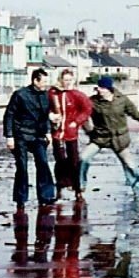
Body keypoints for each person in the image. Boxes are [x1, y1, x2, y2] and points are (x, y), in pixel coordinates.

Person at [79, 76, 139, 199]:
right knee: (83, 158)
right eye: (98, 87)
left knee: (130, 165)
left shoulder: (122, 100)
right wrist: (89, 131)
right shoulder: (92, 102)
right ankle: (81, 186)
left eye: (101, 87)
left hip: (119, 139)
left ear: (108, 89)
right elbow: (83, 116)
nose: (98, 90)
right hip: (100, 137)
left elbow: (133, 113)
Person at [3, 68, 55, 208]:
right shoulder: (20, 95)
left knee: (43, 163)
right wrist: (9, 136)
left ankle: (46, 196)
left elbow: (45, 117)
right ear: (35, 81)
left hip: (38, 135)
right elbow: (9, 115)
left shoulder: (45, 95)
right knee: (22, 167)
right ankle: (21, 199)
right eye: (43, 81)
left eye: (46, 81)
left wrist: (48, 132)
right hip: (21, 134)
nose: (46, 84)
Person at [48, 69, 93, 199]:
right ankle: (60, 186)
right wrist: (51, 115)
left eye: (69, 80)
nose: (67, 83)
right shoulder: (52, 93)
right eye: (65, 80)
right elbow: (45, 107)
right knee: (60, 160)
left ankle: (77, 188)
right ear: (60, 80)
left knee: (74, 161)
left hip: (71, 133)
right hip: (57, 133)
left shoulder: (77, 95)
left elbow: (87, 109)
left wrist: (77, 121)